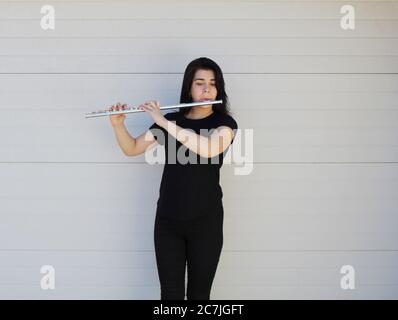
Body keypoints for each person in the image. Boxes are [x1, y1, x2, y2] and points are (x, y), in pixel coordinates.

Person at [109, 57, 238, 300]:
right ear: (189, 87)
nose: (207, 88)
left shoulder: (225, 124)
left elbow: (209, 149)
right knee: (170, 295)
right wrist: (118, 125)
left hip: (206, 223)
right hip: (168, 221)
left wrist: (163, 122)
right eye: (199, 82)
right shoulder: (172, 121)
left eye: (212, 83)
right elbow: (132, 148)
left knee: (199, 296)